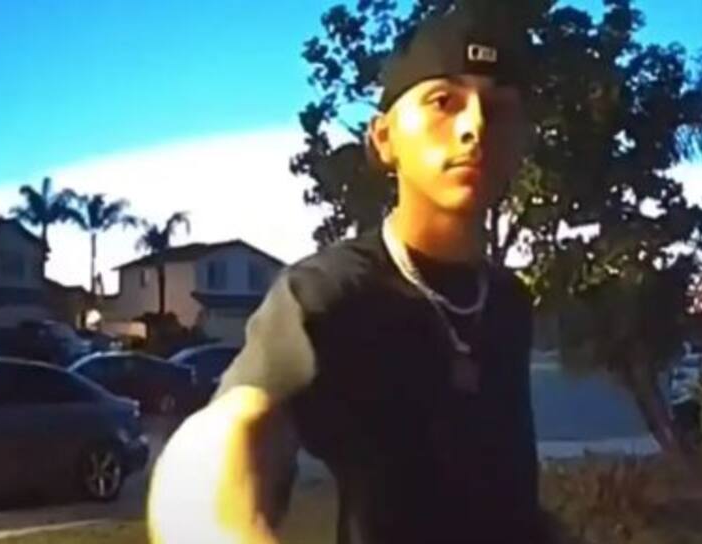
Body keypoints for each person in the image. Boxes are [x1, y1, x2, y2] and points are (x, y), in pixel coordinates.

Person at [148, 3, 544, 543]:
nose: (475, 126)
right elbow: (224, 442)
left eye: (497, 110)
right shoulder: (331, 294)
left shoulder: (507, 301)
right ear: (384, 139)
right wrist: (215, 520)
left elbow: (507, 499)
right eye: (443, 102)